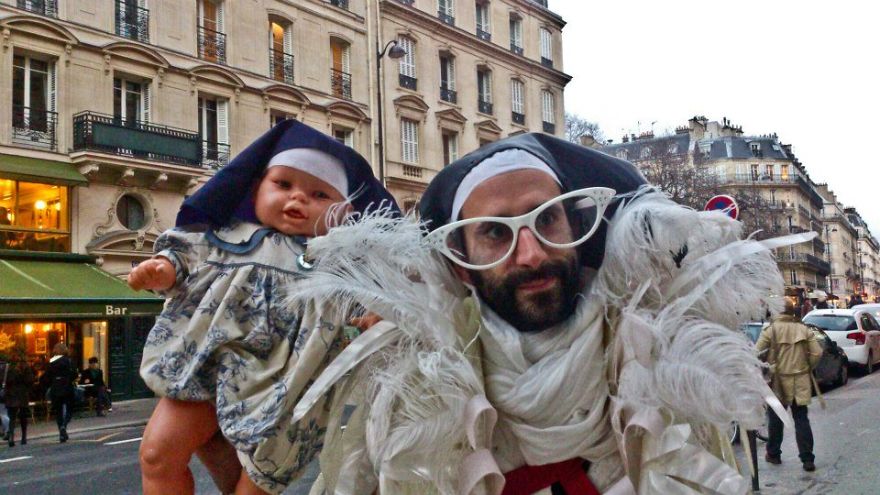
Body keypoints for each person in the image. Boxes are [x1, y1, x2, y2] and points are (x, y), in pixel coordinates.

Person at [292, 133, 808, 494]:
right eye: (495, 232)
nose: (532, 253)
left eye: (548, 219)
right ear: (463, 267)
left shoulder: (657, 357)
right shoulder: (415, 390)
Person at [130, 120, 397, 495]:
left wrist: (377, 315)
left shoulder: (343, 265)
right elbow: (185, 256)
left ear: (345, 212)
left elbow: (374, 303)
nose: (298, 198)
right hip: (210, 363)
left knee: (252, 489)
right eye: (283, 184)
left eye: (320, 194)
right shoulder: (223, 238)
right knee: (158, 455)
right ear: (256, 188)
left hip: (287, 389)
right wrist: (163, 269)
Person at [756, 299, 822, 472]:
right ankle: (807, 459)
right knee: (801, 419)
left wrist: (767, 368)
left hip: (777, 381)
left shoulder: (770, 331)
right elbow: (817, 353)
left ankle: (774, 454)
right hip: (800, 380)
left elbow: (756, 353)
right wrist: (807, 367)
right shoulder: (803, 329)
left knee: (776, 419)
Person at [45, 343, 77, 443]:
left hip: (55, 388)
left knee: (58, 412)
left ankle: (61, 433)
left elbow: (47, 375)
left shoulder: (51, 361)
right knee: (70, 409)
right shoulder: (69, 361)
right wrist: (68, 379)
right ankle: (64, 425)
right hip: (67, 387)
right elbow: (74, 374)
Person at [4, 351, 34, 447]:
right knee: (23, 417)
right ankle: (23, 437)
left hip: (11, 395)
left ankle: (11, 436)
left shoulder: (8, 368)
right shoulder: (25, 367)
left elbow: (4, 380)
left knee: (12, 417)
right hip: (22, 395)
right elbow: (30, 381)